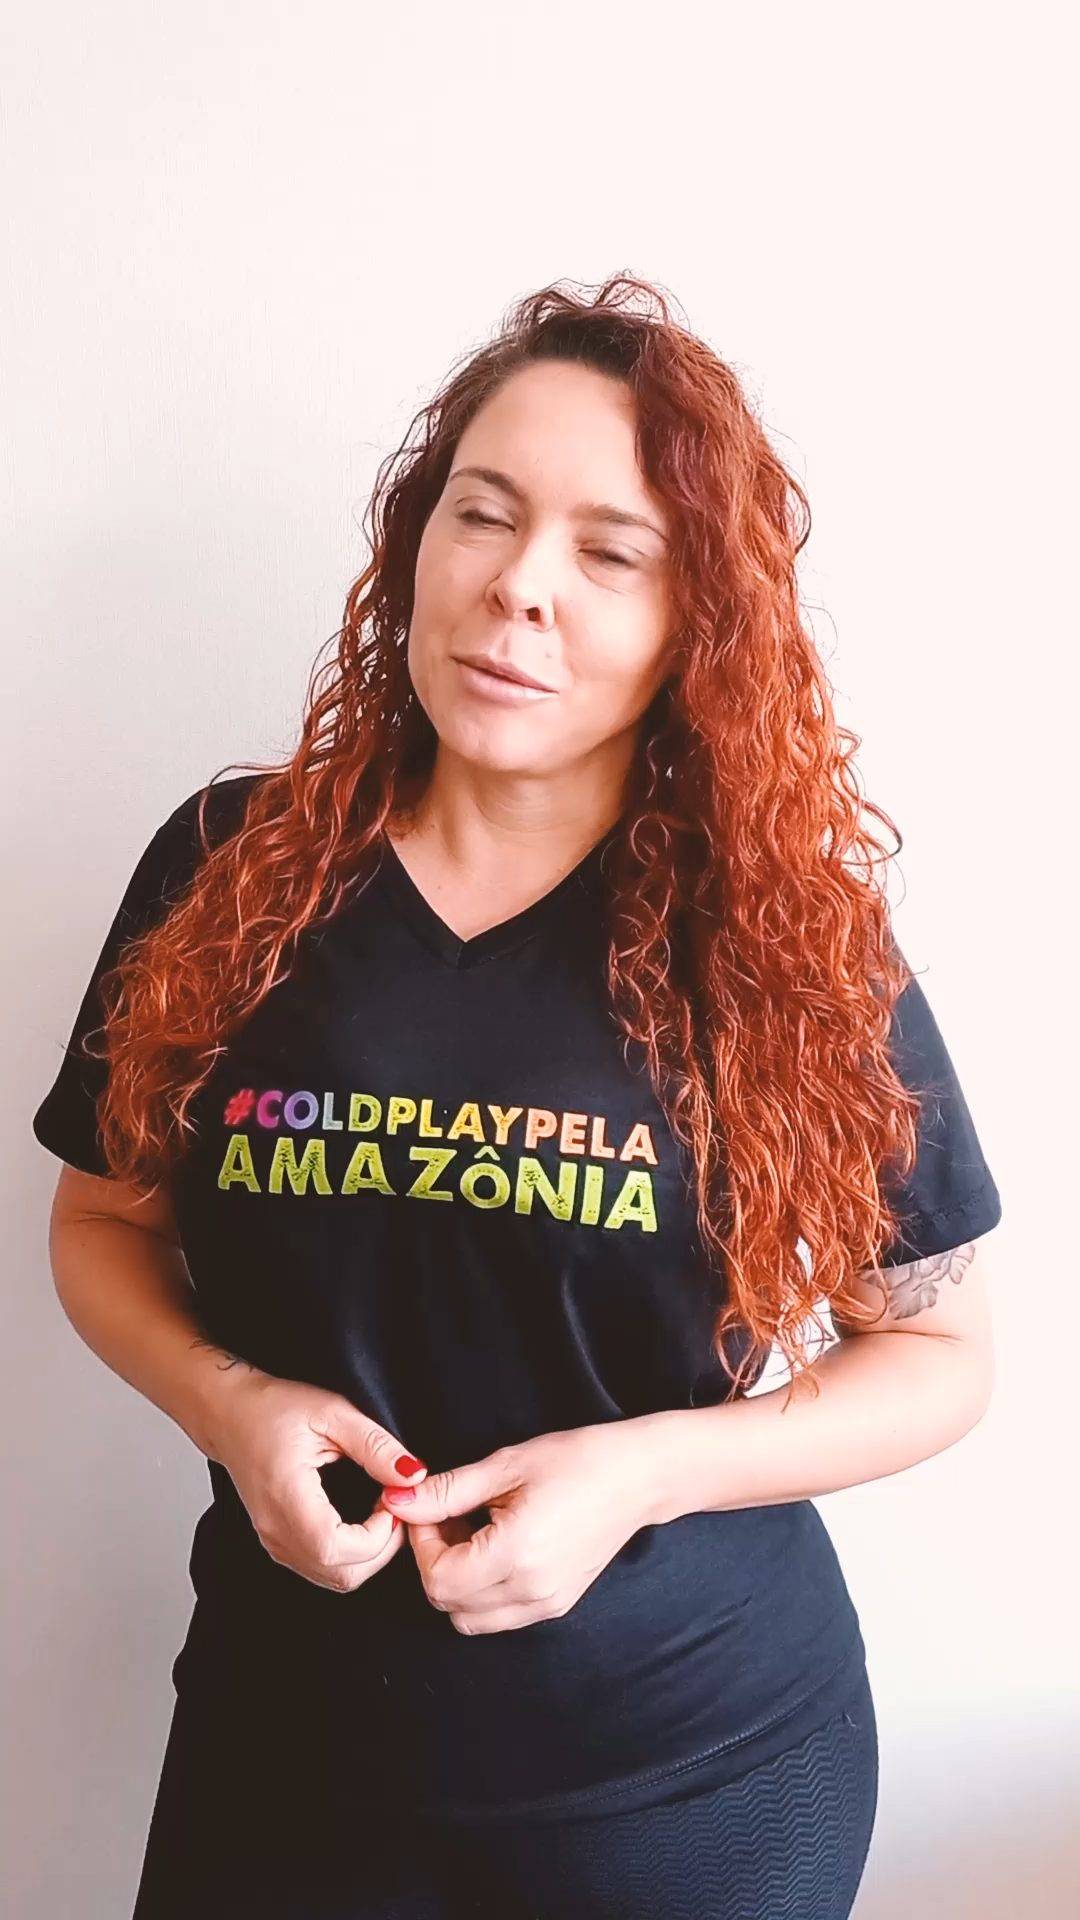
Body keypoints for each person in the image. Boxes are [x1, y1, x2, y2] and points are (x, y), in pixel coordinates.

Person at [32, 275, 1002, 1919]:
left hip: (692, 1779)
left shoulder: (778, 937)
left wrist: (641, 1474)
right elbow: (102, 1227)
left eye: (611, 553)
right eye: (482, 514)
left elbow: (942, 1352)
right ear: (417, 541)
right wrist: (229, 1406)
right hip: (287, 1759)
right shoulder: (227, 869)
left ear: (698, 620)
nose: (519, 588)